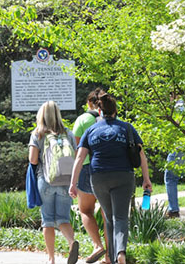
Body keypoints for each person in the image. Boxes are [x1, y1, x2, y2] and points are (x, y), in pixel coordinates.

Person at [69, 91, 152, 264]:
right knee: (121, 217)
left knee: (109, 216)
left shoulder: (91, 130)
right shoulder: (127, 127)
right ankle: (120, 253)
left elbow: (79, 157)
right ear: (115, 111)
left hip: (99, 177)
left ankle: (113, 258)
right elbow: (141, 155)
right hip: (124, 176)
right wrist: (146, 179)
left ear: (100, 111)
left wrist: (73, 183)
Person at [29, 101, 79, 264]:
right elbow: (76, 157)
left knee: (48, 220)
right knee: (63, 218)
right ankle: (72, 242)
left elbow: (33, 159)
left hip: (46, 181)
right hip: (66, 180)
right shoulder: (68, 133)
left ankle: (51, 259)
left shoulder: (38, 134)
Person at [73, 88, 109, 264]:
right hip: (109, 170)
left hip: (87, 168)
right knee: (107, 213)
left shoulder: (82, 120)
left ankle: (97, 245)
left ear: (89, 103)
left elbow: (77, 148)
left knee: (85, 210)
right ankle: (110, 256)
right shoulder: (111, 118)